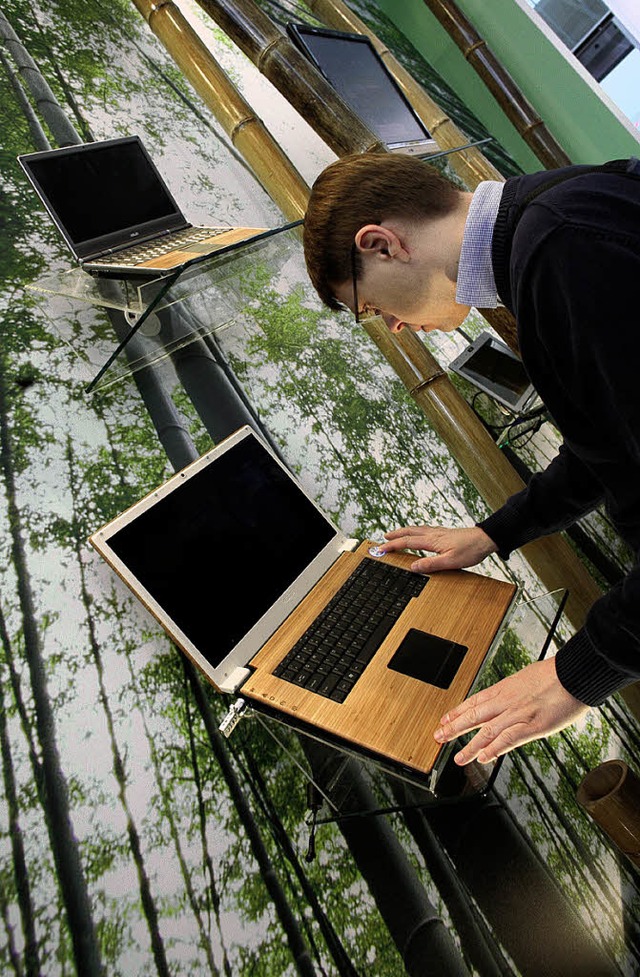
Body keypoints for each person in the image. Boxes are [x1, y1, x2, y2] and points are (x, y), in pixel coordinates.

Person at [302, 150, 640, 766]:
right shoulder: (549, 221)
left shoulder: (561, 251)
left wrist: (579, 673)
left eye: (372, 308)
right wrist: (494, 532)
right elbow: (605, 441)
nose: (395, 326)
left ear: (381, 244)